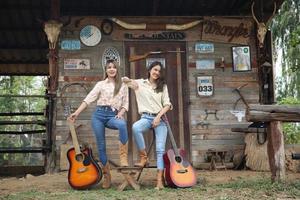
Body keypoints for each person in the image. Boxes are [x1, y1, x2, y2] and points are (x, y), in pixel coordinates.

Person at [68, 59, 129, 189]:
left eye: (114, 67)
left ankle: (123, 158)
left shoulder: (123, 85)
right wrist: (76, 113)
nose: (111, 69)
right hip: (99, 116)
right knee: (101, 145)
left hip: (113, 115)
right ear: (106, 70)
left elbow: (125, 104)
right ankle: (107, 175)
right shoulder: (101, 84)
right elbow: (89, 99)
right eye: (109, 67)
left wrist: (121, 113)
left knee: (122, 125)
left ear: (117, 69)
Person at [122, 61, 172, 190]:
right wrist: (126, 79)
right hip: (146, 117)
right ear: (150, 70)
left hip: (160, 119)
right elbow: (127, 82)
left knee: (160, 150)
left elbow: (167, 104)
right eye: (155, 70)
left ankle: (159, 181)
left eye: (159, 71)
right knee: (136, 127)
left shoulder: (163, 86)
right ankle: (144, 157)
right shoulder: (140, 83)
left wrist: (158, 117)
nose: (157, 73)